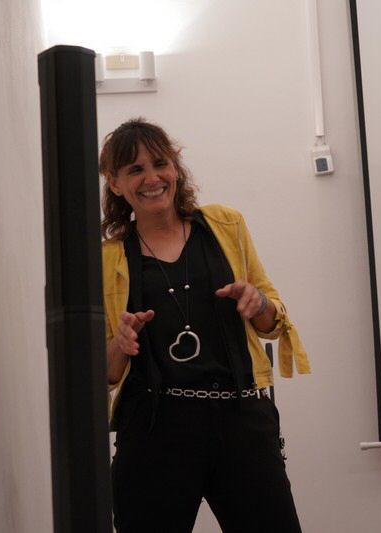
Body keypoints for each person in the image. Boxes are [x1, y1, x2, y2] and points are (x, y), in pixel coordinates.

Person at [100, 118, 310, 532]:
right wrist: (120, 344)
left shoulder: (226, 224)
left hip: (242, 418)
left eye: (160, 163)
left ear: (175, 167)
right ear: (116, 183)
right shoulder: (107, 259)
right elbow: (104, 373)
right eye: (135, 170)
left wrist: (258, 302)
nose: (152, 178)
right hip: (154, 429)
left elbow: (272, 322)